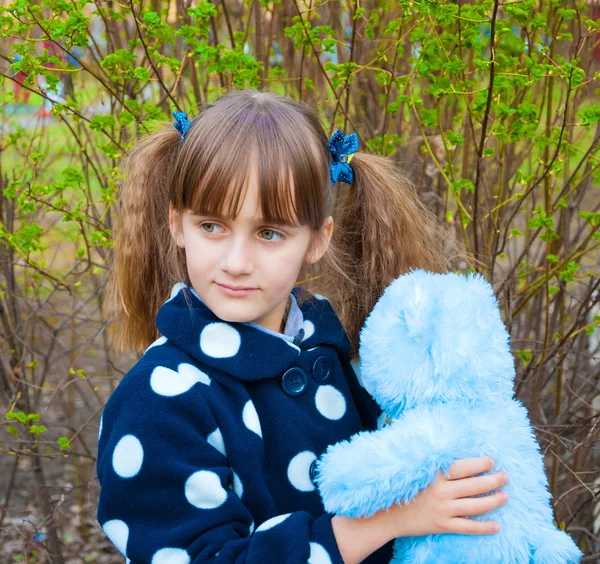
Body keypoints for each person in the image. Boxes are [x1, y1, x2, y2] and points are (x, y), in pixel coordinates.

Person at [97, 89, 510, 564]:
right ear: (176, 224)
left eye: (269, 233)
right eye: (211, 226)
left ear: (317, 240)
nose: (236, 262)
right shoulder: (158, 401)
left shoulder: (335, 349)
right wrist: (389, 521)